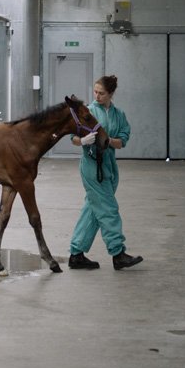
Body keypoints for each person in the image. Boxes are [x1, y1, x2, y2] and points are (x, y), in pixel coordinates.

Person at [68, 74, 143, 271]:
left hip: (109, 167)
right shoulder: (89, 112)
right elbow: (73, 137)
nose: (97, 96)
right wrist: (83, 141)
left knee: (93, 210)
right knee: (109, 209)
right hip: (92, 167)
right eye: (95, 92)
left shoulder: (119, 115)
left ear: (111, 94)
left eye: (102, 93)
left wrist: (109, 141)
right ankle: (118, 253)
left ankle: (76, 254)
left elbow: (123, 140)